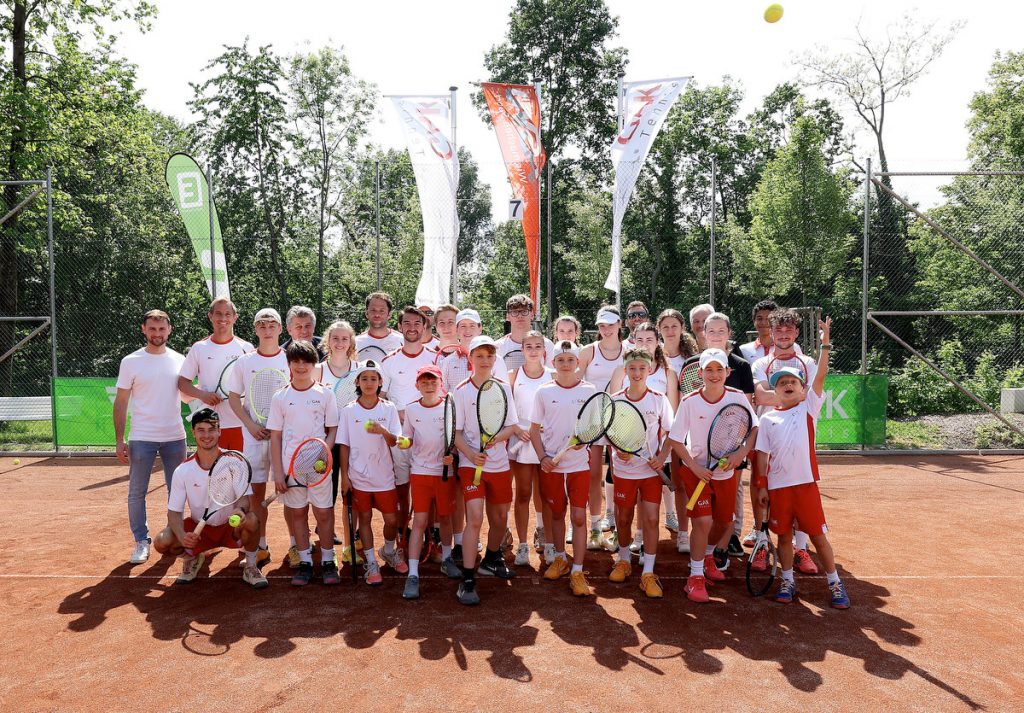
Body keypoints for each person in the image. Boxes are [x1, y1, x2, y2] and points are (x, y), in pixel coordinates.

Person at [754, 317, 849, 608]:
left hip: (806, 485)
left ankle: (834, 582)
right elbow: (761, 456)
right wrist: (761, 487)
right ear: (775, 391)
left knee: (818, 538)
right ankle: (787, 581)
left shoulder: (809, 408)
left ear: (802, 387)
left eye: (792, 382)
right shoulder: (768, 418)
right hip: (779, 487)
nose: (787, 386)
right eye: (781, 384)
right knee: (783, 537)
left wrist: (825, 342)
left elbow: (820, 375)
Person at [661, 348, 758, 603]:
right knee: (702, 523)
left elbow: (753, 428)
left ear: (727, 372)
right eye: (709, 370)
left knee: (724, 523)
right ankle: (694, 577)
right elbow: (675, 440)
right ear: (700, 373)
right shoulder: (690, 401)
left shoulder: (737, 396)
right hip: (697, 472)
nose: (714, 375)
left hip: (726, 473)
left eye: (719, 369)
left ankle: (707, 556)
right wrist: (694, 467)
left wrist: (741, 454)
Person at [153, 408, 266, 589]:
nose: (207, 435)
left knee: (252, 520)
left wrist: (241, 510)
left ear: (220, 431)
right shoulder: (183, 471)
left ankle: (251, 566)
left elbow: (244, 500)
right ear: (193, 433)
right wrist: (183, 537)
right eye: (201, 430)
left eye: (211, 429)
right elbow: (174, 513)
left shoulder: (234, 462)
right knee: (162, 541)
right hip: (200, 530)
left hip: (230, 526)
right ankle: (191, 558)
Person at [453, 335, 525, 605]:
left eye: (489, 356)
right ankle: (468, 578)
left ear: (495, 359)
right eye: (479, 356)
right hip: (471, 466)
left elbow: (512, 426)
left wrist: (497, 438)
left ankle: (492, 558)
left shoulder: (503, 388)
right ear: (470, 358)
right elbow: (456, 433)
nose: (484, 361)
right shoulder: (460, 391)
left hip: (499, 465)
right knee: (474, 519)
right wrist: (471, 453)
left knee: (499, 519)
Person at [114, 309, 188, 564]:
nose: (157, 333)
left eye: (162, 328)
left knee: (177, 491)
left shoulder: (180, 359)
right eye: (152, 329)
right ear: (144, 330)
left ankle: (174, 536)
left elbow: (187, 395)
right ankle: (141, 541)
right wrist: (119, 439)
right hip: (141, 437)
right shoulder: (130, 361)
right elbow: (121, 402)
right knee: (137, 491)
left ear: (169, 330)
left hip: (175, 436)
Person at [752, 308, 819, 574]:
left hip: (800, 435)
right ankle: (761, 544)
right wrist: (793, 396)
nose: (783, 334)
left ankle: (801, 548)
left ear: (796, 332)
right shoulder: (760, 364)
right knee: (763, 490)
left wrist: (776, 394)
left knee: (801, 490)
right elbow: (761, 398)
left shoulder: (808, 363)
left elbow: (810, 396)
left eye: (788, 329)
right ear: (771, 331)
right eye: (778, 329)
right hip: (768, 434)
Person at [267, 341, 340, 586]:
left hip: (319, 468)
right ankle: (306, 561)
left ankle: (329, 560)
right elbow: (275, 437)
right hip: (290, 469)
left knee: (323, 513)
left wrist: (322, 453)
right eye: (295, 362)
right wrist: (279, 473)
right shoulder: (280, 397)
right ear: (289, 365)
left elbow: (332, 431)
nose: (301, 366)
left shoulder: (325, 394)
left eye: (306, 362)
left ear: (313, 364)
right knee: (298, 514)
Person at [531, 341, 597, 596]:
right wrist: (543, 457)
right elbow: (534, 430)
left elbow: (593, 426)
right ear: (553, 364)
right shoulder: (544, 392)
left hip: (579, 465)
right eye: (561, 360)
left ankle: (578, 570)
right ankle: (560, 558)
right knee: (556, 514)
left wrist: (586, 442)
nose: (566, 365)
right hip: (552, 465)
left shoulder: (590, 390)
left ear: (577, 363)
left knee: (578, 517)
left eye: (570, 360)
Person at [691, 312, 756, 567]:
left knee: (732, 492)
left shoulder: (741, 366)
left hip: (731, 446)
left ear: (729, 334)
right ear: (703, 334)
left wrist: (737, 449)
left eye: (721, 331)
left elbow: (746, 412)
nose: (716, 336)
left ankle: (727, 541)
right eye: (711, 331)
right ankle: (700, 546)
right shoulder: (693, 364)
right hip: (699, 449)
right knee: (702, 499)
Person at [607, 348, 673, 599]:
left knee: (651, 519)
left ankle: (648, 571)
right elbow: (609, 434)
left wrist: (661, 457)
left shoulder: (658, 398)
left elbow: (670, 433)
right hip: (624, 471)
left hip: (650, 474)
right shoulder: (615, 400)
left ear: (649, 370)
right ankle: (623, 560)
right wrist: (617, 449)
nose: (636, 373)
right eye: (632, 368)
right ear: (625, 370)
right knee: (623, 518)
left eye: (641, 369)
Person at [226, 307, 288, 570]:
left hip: (285, 437)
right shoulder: (244, 361)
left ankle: (296, 545)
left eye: (271, 324)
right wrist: (250, 425)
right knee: (257, 495)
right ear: (255, 329)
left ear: (280, 328)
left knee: (291, 495)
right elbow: (233, 398)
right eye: (261, 324)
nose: (266, 328)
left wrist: (283, 429)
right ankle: (261, 546)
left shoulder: (291, 359)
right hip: (254, 436)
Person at [338, 360, 406, 586]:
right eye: (364, 378)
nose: (369, 383)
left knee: (391, 519)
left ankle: (388, 550)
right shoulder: (349, 411)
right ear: (357, 382)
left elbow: (395, 441)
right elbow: (344, 445)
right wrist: (345, 477)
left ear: (380, 383)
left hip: (384, 476)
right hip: (359, 478)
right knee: (364, 519)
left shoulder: (388, 408)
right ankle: (370, 561)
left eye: (373, 379)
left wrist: (382, 430)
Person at [401, 365, 461, 599]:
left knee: (445, 517)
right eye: (424, 382)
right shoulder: (411, 409)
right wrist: (403, 442)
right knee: (420, 521)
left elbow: (456, 439)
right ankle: (413, 574)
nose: (429, 385)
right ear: (417, 385)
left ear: (440, 383)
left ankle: (446, 559)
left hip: (444, 472)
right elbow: (408, 437)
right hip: (421, 472)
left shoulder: (450, 407)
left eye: (433, 381)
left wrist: (452, 454)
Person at [380, 307, 437, 545]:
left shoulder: (436, 357)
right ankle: (404, 534)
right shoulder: (389, 361)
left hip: (431, 436)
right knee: (402, 488)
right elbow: (381, 400)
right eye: (407, 323)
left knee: (430, 488)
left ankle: (432, 536)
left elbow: (441, 395)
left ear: (425, 327)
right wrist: (399, 414)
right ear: (400, 326)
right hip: (400, 438)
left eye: (417, 323)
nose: (412, 327)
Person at [177, 296, 254, 451]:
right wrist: (202, 395)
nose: (223, 318)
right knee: (213, 473)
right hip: (209, 426)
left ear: (235, 318)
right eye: (218, 314)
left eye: (227, 314)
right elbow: (182, 383)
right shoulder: (199, 348)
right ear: (210, 316)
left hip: (241, 424)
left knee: (241, 471)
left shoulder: (246, 347)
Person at [577, 306, 623, 543]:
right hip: (593, 421)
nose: (606, 329)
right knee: (593, 475)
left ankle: (616, 526)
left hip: (620, 421)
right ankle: (595, 528)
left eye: (611, 324)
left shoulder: (631, 351)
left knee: (620, 474)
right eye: (602, 325)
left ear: (619, 325)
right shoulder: (588, 351)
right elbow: (574, 379)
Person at [313, 320, 359, 561]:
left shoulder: (361, 369)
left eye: (344, 338)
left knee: (350, 493)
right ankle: (326, 541)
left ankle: (351, 544)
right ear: (327, 341)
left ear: (351, 342)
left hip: (354, 443)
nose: (340, 343)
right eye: (335, 338)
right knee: (325, 495)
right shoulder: (318, 370)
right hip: (326, 443)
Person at [507, 330, 553, 566]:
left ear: (544, 350)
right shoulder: (513, 376)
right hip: (522, 441)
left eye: (538, 346)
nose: (533, 350)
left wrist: (548, 427)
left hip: (547, 442)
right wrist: (517, 429)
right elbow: (507, 409)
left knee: (545, 495)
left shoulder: (553, 376)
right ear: (522, 350)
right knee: (523, 494)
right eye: (529, 346)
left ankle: (545, 534)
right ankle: (522, 545)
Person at [497, 294, 555, 367]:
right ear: (507, 316)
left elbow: (552, 375)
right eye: (515, 312)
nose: (520, 315)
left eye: (524, 311)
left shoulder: (547, 345)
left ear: (532, 315)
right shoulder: (497, 347)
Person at [356, 291, 404, 356]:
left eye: (382, 311)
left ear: (389, 314)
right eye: (373, 310)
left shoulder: (402, 341)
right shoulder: (355, 343)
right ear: (366, 313)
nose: (377, 314)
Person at [656, 308, 699, 376]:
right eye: (665, 327)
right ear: (659, 329)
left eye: (674, 326)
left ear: (682, 328)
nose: (670, 331)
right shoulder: (653, 356)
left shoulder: (692, 358)